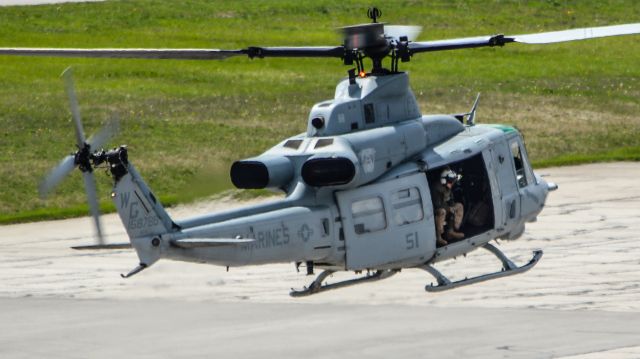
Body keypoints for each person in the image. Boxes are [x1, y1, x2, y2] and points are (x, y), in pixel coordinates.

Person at [432, 168, 464, 246]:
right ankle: (438, 237)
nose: (452, 183)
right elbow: (437, 205)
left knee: (459, 206)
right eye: (451, 181)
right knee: (442, 212)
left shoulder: (448, 187)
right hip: (436, 210)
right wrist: (449, 208)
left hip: (446, 207)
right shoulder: (436, 188)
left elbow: (451, 199)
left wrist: (453, 207)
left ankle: (451, 231)